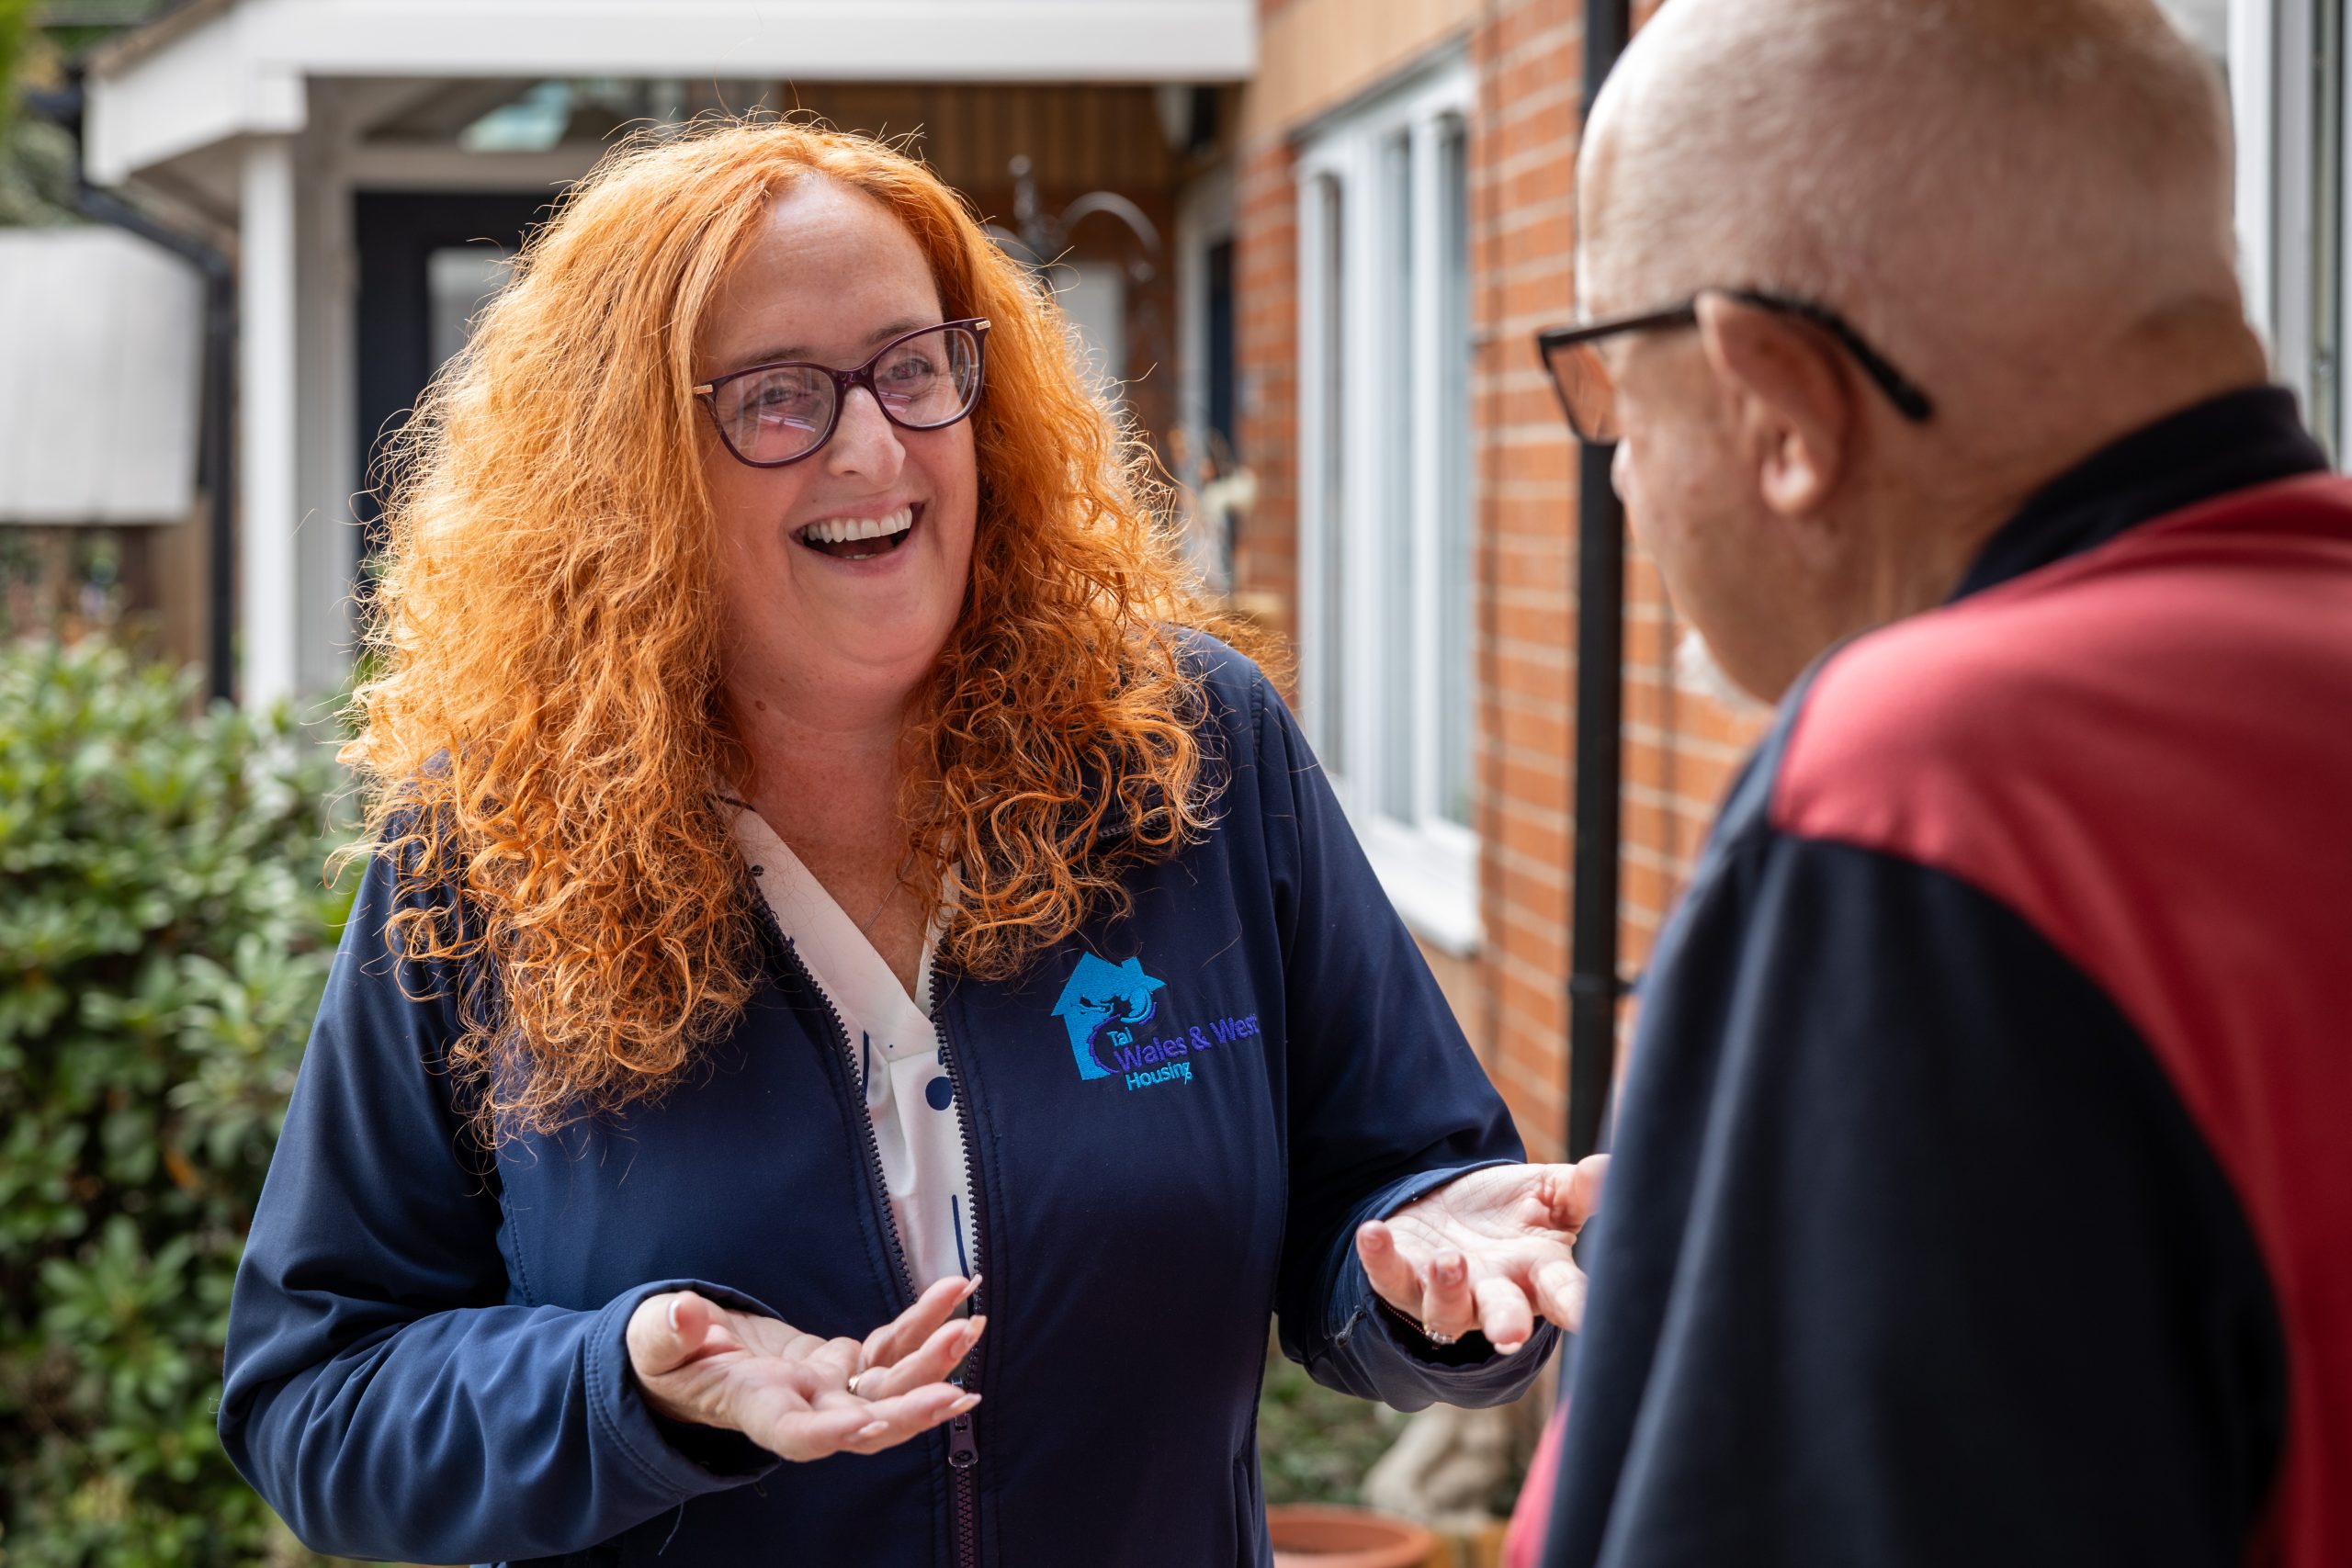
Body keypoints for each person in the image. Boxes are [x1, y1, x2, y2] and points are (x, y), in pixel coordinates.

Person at [218, 120, 1606, 1567]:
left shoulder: (1186, 751)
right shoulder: (495, 840)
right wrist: (619, 1386)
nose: (875, 446)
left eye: (912, 367)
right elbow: (317, 1391)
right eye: (777, 397)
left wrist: (1434, 1275)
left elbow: (1382, 1204)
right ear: (629, 474)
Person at [1524, 1, 2352, 1564]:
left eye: (1611, 390)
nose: (1620, 469)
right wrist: (1794, 1211)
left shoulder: (1930, 796)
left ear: (1778, 400)